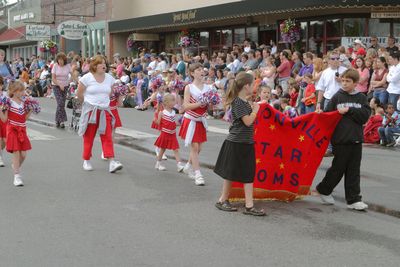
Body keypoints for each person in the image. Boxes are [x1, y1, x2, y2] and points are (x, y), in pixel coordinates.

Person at [316, 69, 371, 211]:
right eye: (343, 80)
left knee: (353, 170)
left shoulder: (361, 98)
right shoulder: (337, 96)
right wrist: (322, 114)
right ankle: (324, 189)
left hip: (356, 139)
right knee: (338, 168)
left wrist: (349, 110)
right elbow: (328, 115)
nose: (345, 83)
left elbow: (364, 116)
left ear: (355, 83)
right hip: (340, 139)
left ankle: (353, 199)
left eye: (348, 81)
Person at [214, 71, 266, 216]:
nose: (255, 85)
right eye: (253, 83)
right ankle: (224, 200)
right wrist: (255, 111)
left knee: (247, 174)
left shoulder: (243, 101)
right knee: (231, 173)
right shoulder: (238, 102)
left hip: (245, 142)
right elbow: (248, 121)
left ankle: (246, 205)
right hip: (237, 142)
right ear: (246, 86)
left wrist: (253, 105)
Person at [76, 55, 123, 173]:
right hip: (91, 110)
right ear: (94, 66)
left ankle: (112, 161)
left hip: (104, 110)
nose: (104, 65)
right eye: (101, 63)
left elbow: (110, 92)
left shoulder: (109, 78)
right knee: (89, 137)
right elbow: (79, 93)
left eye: (104, 63)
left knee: (107, 136)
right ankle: (86, 160)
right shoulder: (86, 78)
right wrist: (85, 105)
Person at [179, 63, 211, 186]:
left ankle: (188, 165)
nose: (201, 71)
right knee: (195, 148)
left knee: (199, 148)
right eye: (198, 70)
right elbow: (186, 106)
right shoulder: (189, 87)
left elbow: (210, 106)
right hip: (191, 120)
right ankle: (198, 174)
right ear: (192, 73)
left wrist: (213, 102)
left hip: (201, 121)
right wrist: (200, 103)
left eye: (202, 69)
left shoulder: (208, 88)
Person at [0, 81, 33, 186]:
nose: (22, 93)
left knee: (23, 155)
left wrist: (30, 110)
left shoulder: (24, 103)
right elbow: (4, 119)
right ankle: (17, 176)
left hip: (22, 130)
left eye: (22, 90)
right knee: (17, 152)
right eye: (19, 91)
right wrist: (0, 110)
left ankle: (16, 166)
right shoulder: (7, 102)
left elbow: (24, 119)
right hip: (12, 130)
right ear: (13, 92)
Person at [154, 93, 185, 172]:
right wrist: (155, 119)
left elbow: (173, 123)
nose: (175, 102)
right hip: (165, 134)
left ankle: (179, 165)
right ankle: (158, 163)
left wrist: (181, 123)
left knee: (176, 149)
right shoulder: (162, 113)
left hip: (172, 134)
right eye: (173, 100)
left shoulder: (173, 112)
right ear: (167, 103)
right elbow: (158, 123)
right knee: (162, 150)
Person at [52, 52, 72, 128]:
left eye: (61, 60)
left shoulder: (67, 66)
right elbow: (53, 78)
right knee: (60, 103)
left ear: (64, 60)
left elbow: (72, 74)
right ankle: (62, 121)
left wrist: (71, 81)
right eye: (59, 60)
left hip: (65, 86)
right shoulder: (55, 66)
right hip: (56, 85)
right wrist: (59, 84)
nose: (60, 61)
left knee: (62, 104)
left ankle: (58, 120)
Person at [0, 77, 6, 167]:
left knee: (4, 141)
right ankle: (0, 158)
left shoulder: (5, 95)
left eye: (0, 84)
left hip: (4, 118)